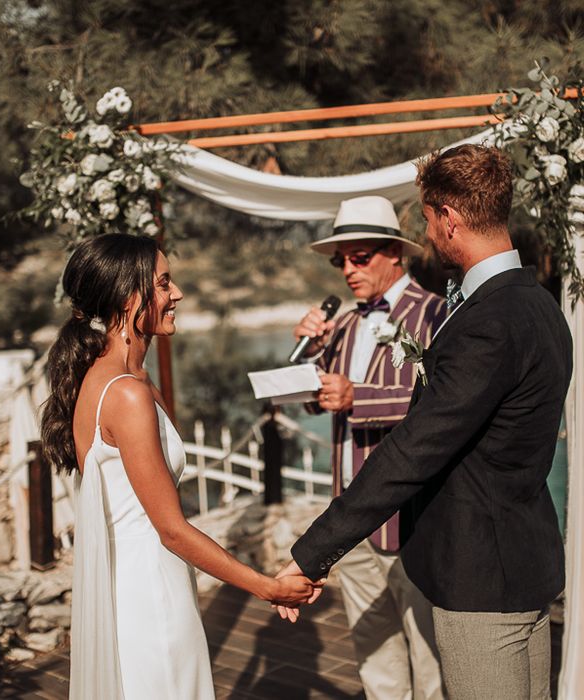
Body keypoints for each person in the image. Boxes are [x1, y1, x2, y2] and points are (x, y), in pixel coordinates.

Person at [281, 145, 573, 699]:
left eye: (429, 218)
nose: (430, 233)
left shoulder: (485, 321)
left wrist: (311, 553)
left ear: (450, 219)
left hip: (481, 574)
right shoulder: (541, 307)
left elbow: (413, 449)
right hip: (526, 557)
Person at [41, 233, 319, 700]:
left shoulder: (121, 378)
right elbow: (170, 529)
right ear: (131, 298)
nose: (178, 295)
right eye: (164, 283)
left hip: (135, 580)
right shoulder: (127, 394)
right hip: (151, 591)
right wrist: (266, 587)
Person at [290, 195, 447, 700]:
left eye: (360, 257)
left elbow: (446, 404)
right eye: (341, 260)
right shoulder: (347, 324)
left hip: (410, 516)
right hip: (348, 515)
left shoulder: (434, 313)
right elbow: (314, 405)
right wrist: (307, 355)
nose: (348, 270)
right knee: (373, 654)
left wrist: (360, 397)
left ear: (393, 254)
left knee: (430, 655)